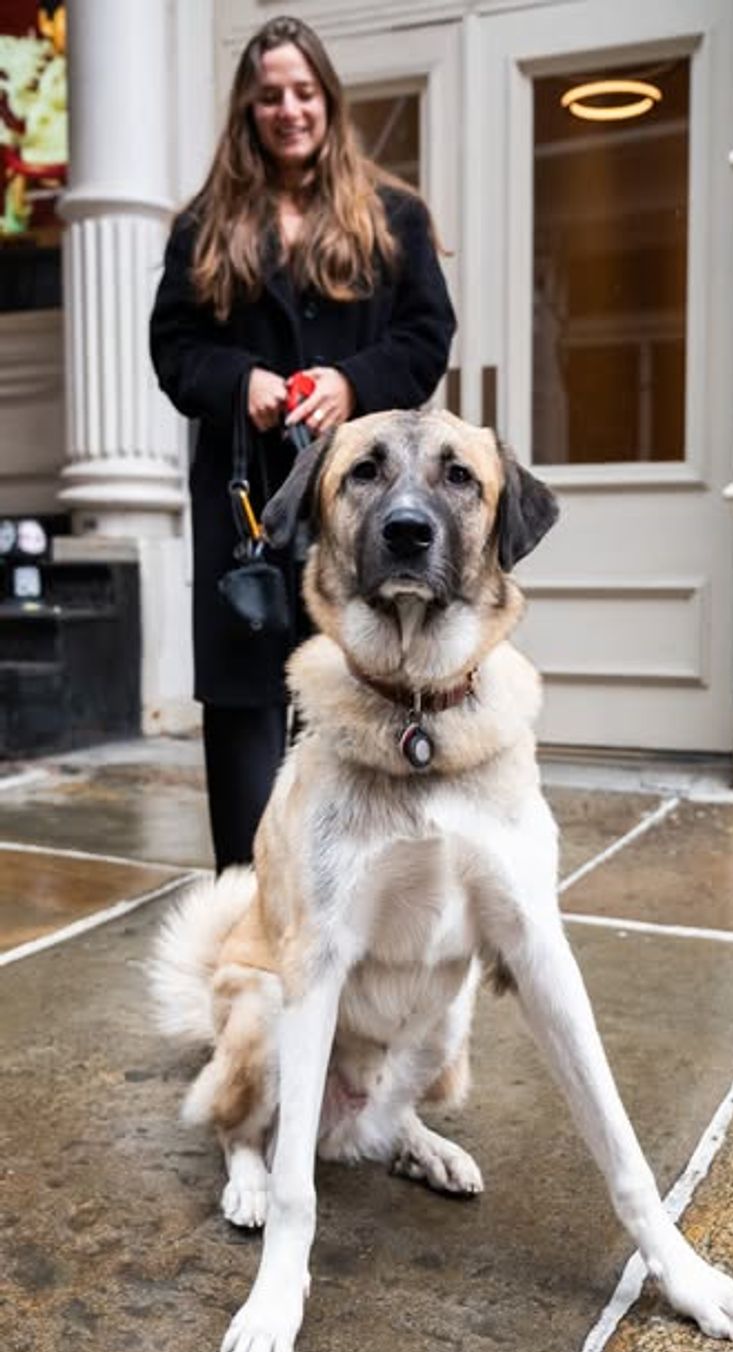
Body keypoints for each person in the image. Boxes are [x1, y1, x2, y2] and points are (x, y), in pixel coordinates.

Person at [150, 15, 456, 874]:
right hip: (244, 506)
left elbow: (427, 335)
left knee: (355, 687)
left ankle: (356, 888)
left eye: (303, 92)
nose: (289, 109)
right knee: (246, 702)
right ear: (249, 110)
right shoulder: (206, 224)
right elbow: (174, 347)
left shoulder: (392, 215)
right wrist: (236, 380)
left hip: (355, 504)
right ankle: (246, 906)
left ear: (328, 98)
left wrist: (353, 383)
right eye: (270, 96)